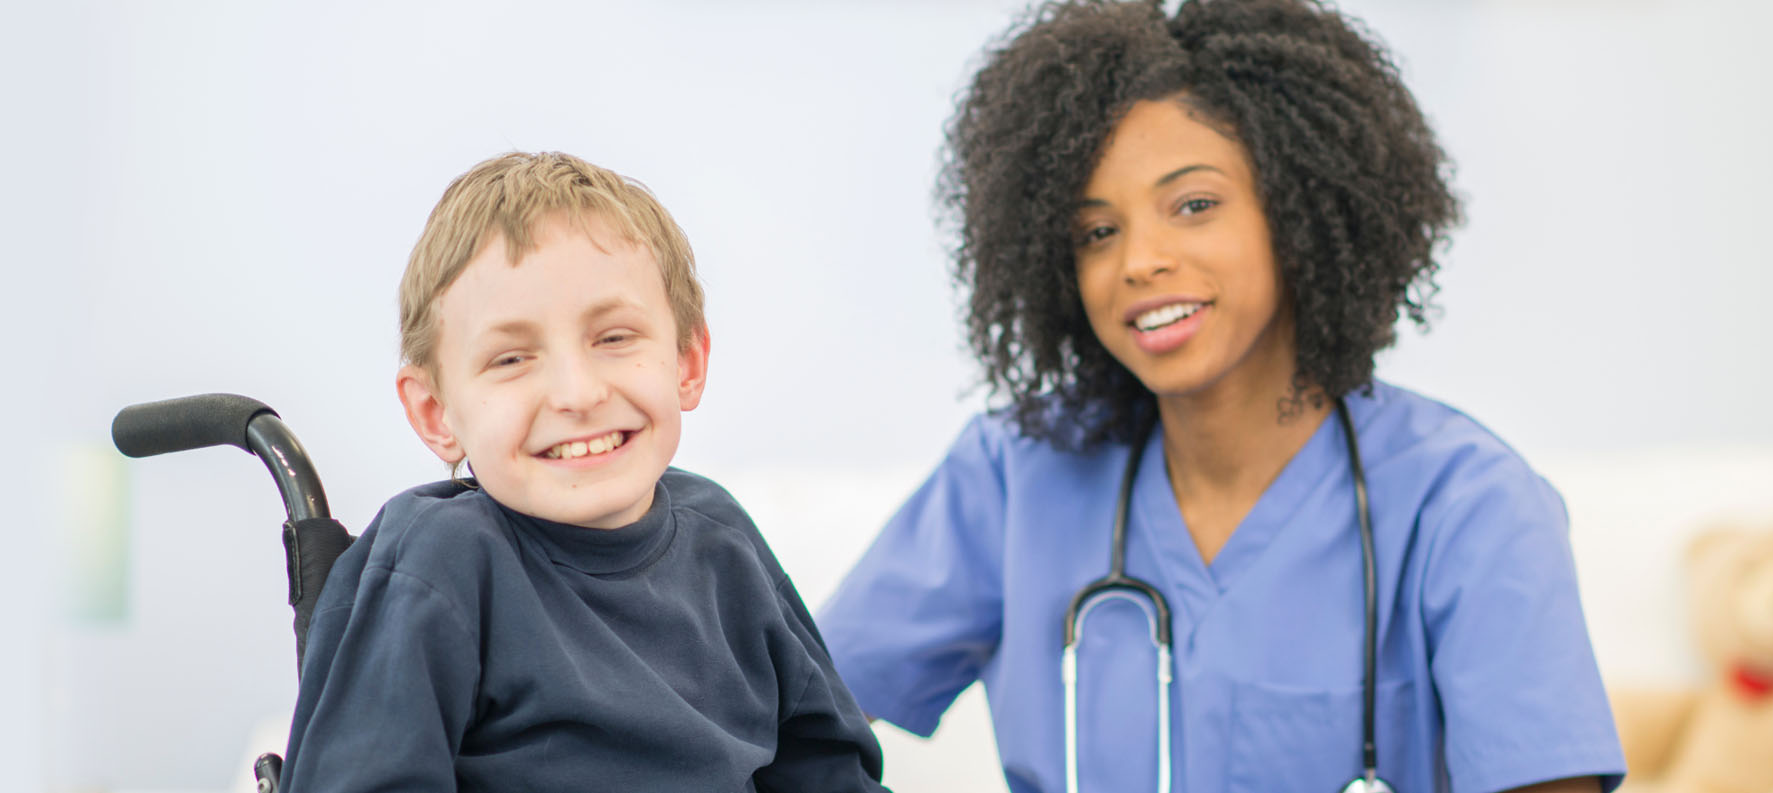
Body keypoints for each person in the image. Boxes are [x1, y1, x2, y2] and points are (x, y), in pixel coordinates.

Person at [816, 2, 1625, 792]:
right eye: (1097, 231)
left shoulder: (1468, 504)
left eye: (1193, 205)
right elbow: (788, 715)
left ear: (1301, 207)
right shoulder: (1013, 475)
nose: (1140, 261)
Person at [280, 152, 886, 792]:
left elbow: (829, 767)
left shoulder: (723, 539)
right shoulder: (442, 560)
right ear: (437, 413)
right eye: (512, 358)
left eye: (615, 338)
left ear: (686, 361)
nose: (577, 393)